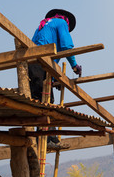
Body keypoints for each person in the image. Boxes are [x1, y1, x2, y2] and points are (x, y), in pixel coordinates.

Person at [28, 9, 82, 148]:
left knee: (40, 101)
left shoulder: (43, 26)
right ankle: (47, 140)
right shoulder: (61, 22)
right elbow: (67, 46)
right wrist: (75, 66)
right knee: (47, 103)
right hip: (41, 63)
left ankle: (47, 139)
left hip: (34, 65)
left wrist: (53, 80)